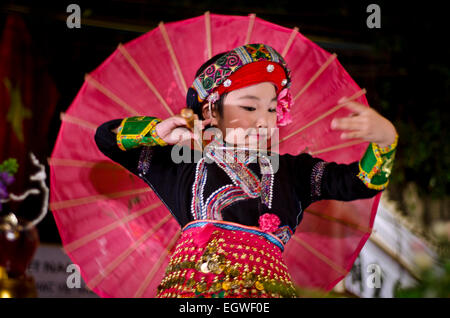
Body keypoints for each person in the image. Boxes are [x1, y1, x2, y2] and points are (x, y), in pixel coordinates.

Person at [94, 43, 398, 298]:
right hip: (194, 293)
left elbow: (360, 182)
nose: (264, 121)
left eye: (271, 108)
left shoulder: (294, 172)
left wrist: (385, 142)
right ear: (211, 111)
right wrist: (157, 133)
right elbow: (106, 138)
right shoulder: (182, 162)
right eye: (250, 108)